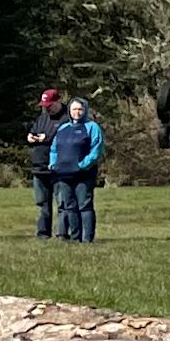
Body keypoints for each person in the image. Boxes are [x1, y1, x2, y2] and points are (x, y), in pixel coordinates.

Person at [50, 98, 106, 242]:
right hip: (63, 174)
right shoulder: (63, 128)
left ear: (85, 110)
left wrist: (83, 165)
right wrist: (53, 164)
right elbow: (54, 148)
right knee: (70, 207)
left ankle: (87, 239)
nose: (77, 112)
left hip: (83, 174)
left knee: (84, 206)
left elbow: (96, 149)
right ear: (69, 111)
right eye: (74, 109)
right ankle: (75, 238)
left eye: (80, 109)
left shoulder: (92, 127)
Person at [25, 89, 65, 239]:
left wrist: (46, 137)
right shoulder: (42, 118)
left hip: (58, 168)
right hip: (39, 166)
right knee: (42, 204)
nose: (47, 108)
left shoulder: (67, 118)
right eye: (44, 105)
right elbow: (32, 132)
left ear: (58, 101)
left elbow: (64, 137)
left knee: (62, 203)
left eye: (50, 105)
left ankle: (62, 233)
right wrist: (31, 137)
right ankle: (43, 234)